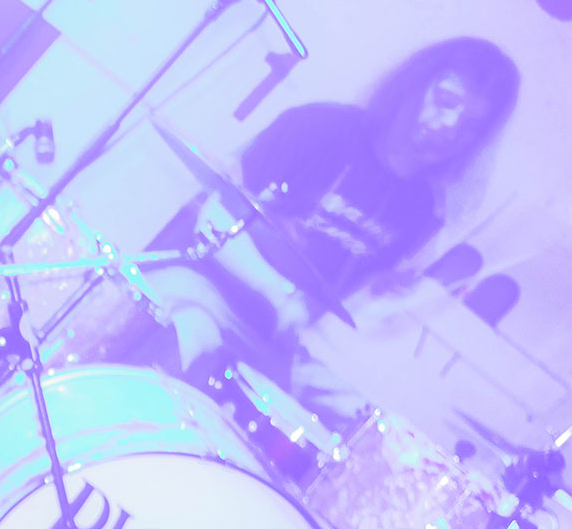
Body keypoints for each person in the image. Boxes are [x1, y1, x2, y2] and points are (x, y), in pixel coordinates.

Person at [141, 37, 521, 418]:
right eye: (446, 101)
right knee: (194, 346)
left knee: (353, 416)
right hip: (200, 290)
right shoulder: (317, 128)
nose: (450, 128)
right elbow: (213, 212)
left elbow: (333, 302)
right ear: (414, 85)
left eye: (471, 127)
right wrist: (277, 290)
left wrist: (377, 298)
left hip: (271, 339)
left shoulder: (420, 211)